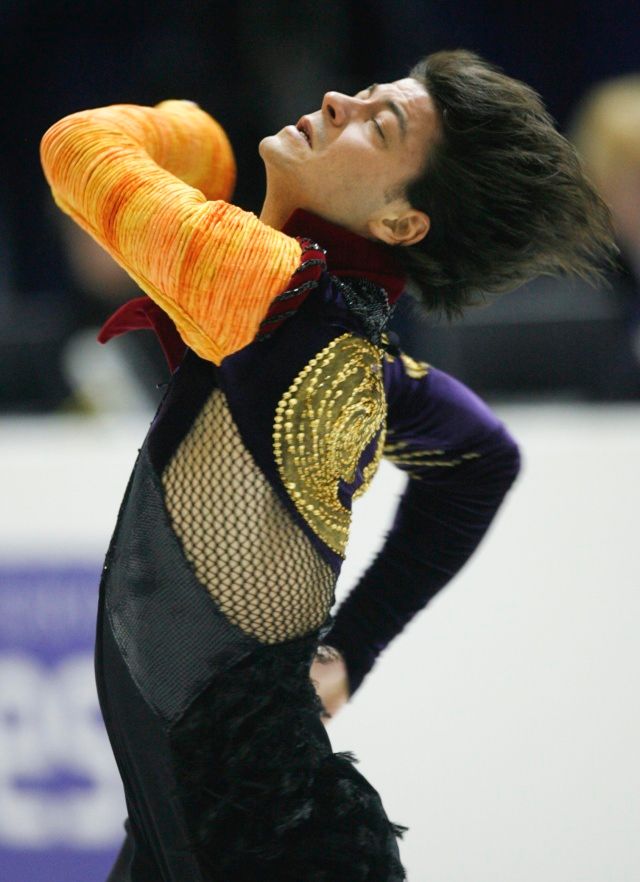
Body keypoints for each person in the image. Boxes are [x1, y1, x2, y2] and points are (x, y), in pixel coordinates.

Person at [40, 50, 616, 881]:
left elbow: (78, 150)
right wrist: (356, 647)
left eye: (377, 125)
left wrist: (196, 136)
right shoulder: (345, 343)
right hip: (216, 841)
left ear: (399, 222)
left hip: (261, 848)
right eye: (367, 94)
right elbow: (478, 455)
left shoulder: (260, 285)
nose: (338, 100)